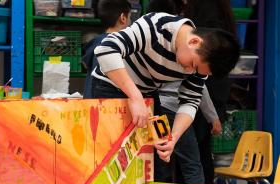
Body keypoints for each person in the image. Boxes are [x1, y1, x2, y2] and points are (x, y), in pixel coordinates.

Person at [92, 11, 240, 163]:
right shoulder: (157, 27)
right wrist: (135, 97)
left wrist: (174, 137)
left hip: (147, 94)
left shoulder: (201, 63)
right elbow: (106, 49)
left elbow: (190, 101)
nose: (190, 72)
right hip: (110, 85)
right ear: (194, 42)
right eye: (193, 65)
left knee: (158, 157)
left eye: (196, 71)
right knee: (105, 157)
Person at [145, 0, 219, 184]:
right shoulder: (185, 46)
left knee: (160, 164)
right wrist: (213, 117)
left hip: (155, 111)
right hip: (175, 111)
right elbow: (199, 89)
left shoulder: (153, 43)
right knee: (192, 163)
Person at [183, 0, 237, 184]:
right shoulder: (219, 8)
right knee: (200, 150)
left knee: (193, 153)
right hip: (214, 87)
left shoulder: (207, 8)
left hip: (209, 88)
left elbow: (199, 82)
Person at [82, 0, 131, 98]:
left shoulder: (95, 41)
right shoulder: (120, 44)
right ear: (123, 18)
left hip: (89, 105)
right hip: (108, 107)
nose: (131, 21)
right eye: (130, 17)